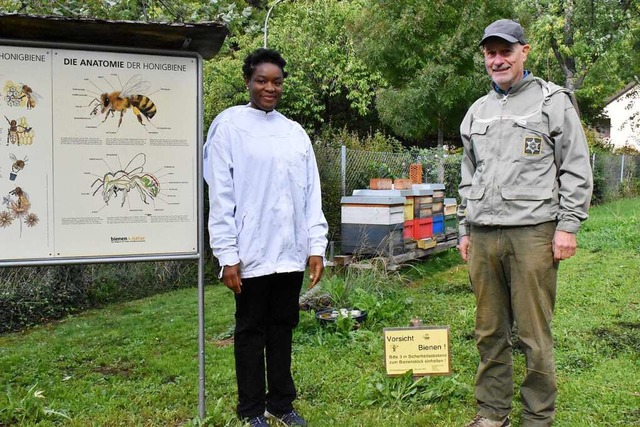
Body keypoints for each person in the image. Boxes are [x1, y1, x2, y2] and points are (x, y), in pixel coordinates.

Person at [457, 19, 593, 427]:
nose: (497, 60)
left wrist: (568, 226)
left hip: (533, 233)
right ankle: (492, 411)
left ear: (524, 52)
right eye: (490, 53)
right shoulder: (477, 111)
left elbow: (576, 166)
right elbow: (469, 175)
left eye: (505, 51)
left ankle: (537, 416)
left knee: (534, 333)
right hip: (483, 235)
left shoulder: (552, 101)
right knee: (489, 330)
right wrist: (464, 228)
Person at [203, 48, 328, 427]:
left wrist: (316, 247)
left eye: (276, 81)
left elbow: (311, 194)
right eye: (262, 80)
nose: (269, 88)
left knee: (282, 329)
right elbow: (220, 197)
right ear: (247, 82)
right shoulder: (228, 128)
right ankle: (251, 410)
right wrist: (227, 255)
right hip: (251, 254)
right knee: (250, 332)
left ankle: (281, 404)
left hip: (290, 253)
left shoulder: (294, 133)